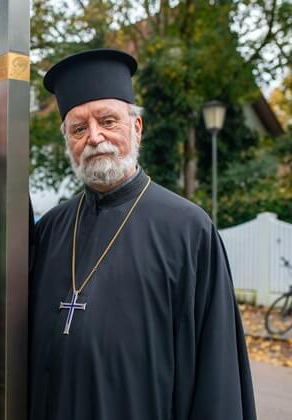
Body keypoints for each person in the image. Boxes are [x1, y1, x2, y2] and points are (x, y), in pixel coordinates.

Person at [29, 49, 256, 420]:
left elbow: (217, 367)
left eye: (107, 121)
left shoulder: (188, 229)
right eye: (78, 128)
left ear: (136, 127)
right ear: (68, 141)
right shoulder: (52, 229)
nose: (94, 137)